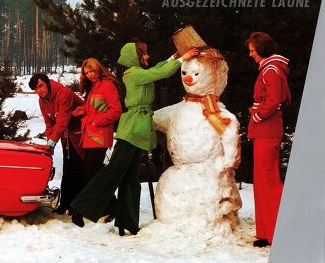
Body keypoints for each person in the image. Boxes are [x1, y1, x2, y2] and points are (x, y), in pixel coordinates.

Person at [69, 40, 198, 236]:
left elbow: (156, 69)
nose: (147, 57)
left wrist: (173, 57)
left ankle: (128, 222)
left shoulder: (139, 73)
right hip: (131, 129)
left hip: (141, 129)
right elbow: (158, 73)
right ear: (134, 58)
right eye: (143, 54)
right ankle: (80, 206)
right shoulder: (132, 74)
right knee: (113, 172)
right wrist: (182, 59)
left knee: (130, 178)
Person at [245, 32, 291, 248]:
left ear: (261, 49)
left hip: (267, 129)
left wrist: (256, 113)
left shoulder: (270, 70)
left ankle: (278, 231)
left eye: (253, 50)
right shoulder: (270, 68)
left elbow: (275, 100)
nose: (250, 54)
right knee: (263, 181)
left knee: (269, 181)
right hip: (265, 130)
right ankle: (266, 232)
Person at [71, 58, 122, 220]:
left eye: (91, 71)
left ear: (98, 69)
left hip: (99, 135)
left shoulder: (107, 85)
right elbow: (92, 107)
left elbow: (116, 110)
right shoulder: (95, 86)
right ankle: (110, 206)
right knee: (95, 173)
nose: (89, 75)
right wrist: (79, 111)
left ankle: (109, 206)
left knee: (92, 173)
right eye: (86, 73)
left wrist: (97, 121)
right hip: (90, 135)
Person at [29, 73, 85, 215]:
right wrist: (50, 144)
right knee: (68, 170)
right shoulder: (42, 100)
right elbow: (49, 123)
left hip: (81, 133)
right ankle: (66, 204)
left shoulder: (63, 93)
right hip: (67, 135)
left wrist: (51, 143)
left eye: (40, 86)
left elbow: (62, 121)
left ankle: (79, 206)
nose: (39, 90)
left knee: (80, 170)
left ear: (47, 83)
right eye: (36, 88)